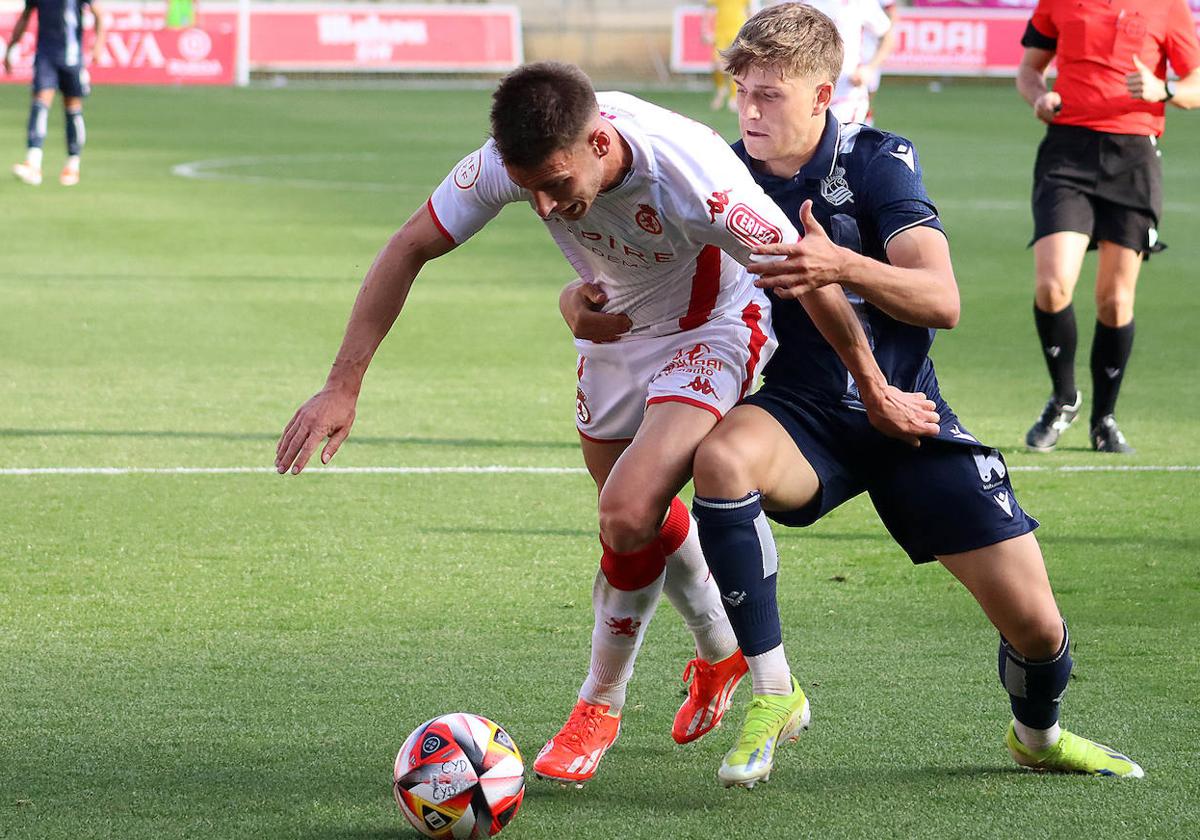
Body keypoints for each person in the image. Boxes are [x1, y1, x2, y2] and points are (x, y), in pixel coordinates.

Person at [274, 61, 932, 788]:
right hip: (614, 329)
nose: (547, 208)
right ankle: (720, 653)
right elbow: (408, 248)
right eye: (530, 192)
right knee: (635, 519)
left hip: (712, 327)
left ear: (598, 141)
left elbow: (809, 281)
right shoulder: (507, 162)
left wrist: (872, 387)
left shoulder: (696, 178)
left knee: (624, 511)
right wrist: (342, 385)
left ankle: (599, 703)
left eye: (556, 185)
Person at [566, 2, 1144, 789]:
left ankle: (1036, 736)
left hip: (911, 416)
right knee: (724, 459)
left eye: (771, 95)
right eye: (744, 92)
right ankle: (773, 692)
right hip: (803, 414)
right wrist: (577, 303)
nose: (751, 110)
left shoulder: (877, 163)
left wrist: (842, 265)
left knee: (1039, 629)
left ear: (823, 96)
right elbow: (643, 277)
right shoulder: (719, 174)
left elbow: (943, 300)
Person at [1017, 0, 1200, 453]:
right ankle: (1064, 399)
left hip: (1134, 157)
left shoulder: (1169, 8)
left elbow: (1196, 85)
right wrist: (1039, 96)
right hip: (1067, 153)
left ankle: (1104, 419)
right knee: (1053, 285)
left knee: (1115, 301)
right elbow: (1028, 70)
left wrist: (1164, 89)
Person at [4, 0, 104, 186]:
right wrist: (12, 47)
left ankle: (73, 163)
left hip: (71, 57)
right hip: (46, 56)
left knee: (73, 108)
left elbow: (98, 13)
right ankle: (33, 162)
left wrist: (98, 44)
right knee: (40, 102)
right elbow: (25, 17)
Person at [706, 0, 750, 111]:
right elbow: (708, 11)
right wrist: (706, 30)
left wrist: (751, 32)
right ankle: (721, 89)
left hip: (738, 30)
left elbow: (749, 10)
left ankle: (733, 96)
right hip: (720, 32)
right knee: (716, 64)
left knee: (735, 64)